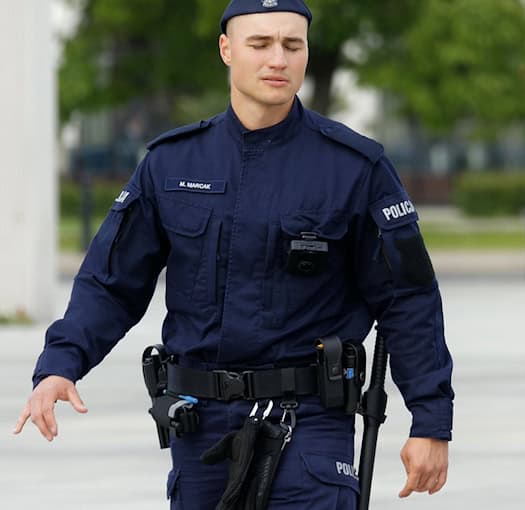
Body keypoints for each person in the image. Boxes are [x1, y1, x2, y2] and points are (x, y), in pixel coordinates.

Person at [13, 0, 454, 507]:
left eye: (293, 45)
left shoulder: (356, 167)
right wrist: (59, 365)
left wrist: (430, 420)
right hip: (198, 433)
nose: (278, 59)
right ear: (226, 49)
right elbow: (111, 283)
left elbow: (409, 299)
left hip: (308, 429)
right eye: (260, 44)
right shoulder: (170, 163)